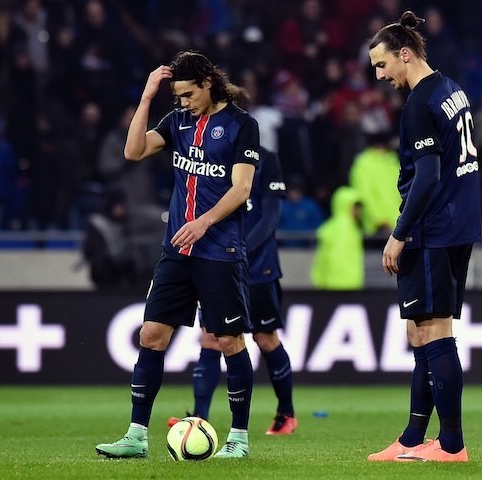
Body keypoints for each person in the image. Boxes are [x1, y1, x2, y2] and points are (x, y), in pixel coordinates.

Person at [95, 51, 259, 459]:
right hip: (177, 249)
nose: (182, 102)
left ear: (207, 82)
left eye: (187, 94)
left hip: (220, 250)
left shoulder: (242, 125)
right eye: (176, 95)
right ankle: (135, 435)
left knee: (229, 341)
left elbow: (241, 190)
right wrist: (147, 96)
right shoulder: (177, 121)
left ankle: (238, 438)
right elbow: (132, 152)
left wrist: (203, 222)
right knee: (151, 335)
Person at [366, 11, 481, 463]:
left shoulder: (418, 105)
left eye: (382, 64)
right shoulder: (451, 88)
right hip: (458, 224)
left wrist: (399, 234)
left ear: (405, 54)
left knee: (433, 331)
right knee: (420, 332)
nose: (380, 75)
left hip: (432, 230)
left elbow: (427, 177)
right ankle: (414, 438)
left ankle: (451, 444)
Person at [169, 85, 297, 435]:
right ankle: (199, 418)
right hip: (217, 262)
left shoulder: (267, 159)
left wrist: (240, 248)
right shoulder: (205, 158)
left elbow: (270, 218)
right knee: (210, 338)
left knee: (265, 338)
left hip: (256, 265)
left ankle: (286, 413)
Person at [310, 185, 364, 290]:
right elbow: (337, 258)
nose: (359, 210)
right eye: (356, 206)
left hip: (336, 284)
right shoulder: (344, 227)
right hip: (341, 286)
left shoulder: (335, 225)